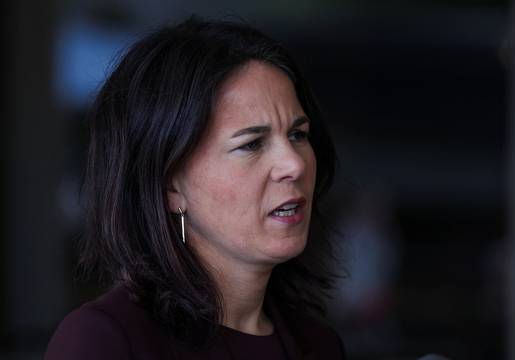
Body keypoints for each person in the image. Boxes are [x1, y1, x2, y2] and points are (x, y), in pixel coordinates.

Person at [45, 17, 345, 360]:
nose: (295, 164)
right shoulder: (104, 341)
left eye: (298, 135)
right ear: (171, 186)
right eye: (251, 144)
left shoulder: (319, 345)